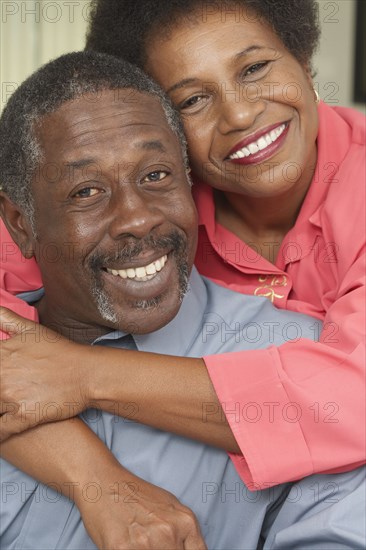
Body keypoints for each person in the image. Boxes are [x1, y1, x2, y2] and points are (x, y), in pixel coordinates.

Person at [2, 50, 365, 550]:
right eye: (86, 191)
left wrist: (80, 374)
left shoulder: (295, 357)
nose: (136, 217)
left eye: (156, 175)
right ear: (21, 224)